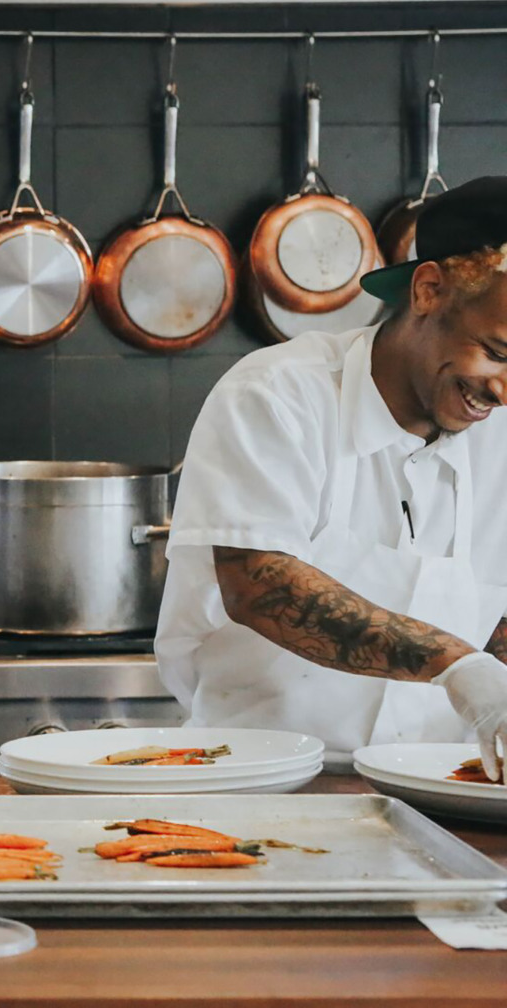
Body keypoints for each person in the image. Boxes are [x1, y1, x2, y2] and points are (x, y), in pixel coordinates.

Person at [158, 175, 507, 775]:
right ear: (428, 289)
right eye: (497, 353)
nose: (502, 392)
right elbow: (260, 584)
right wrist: (459, 664)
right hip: (264, 780)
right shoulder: (277, 395)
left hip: (446, 787)